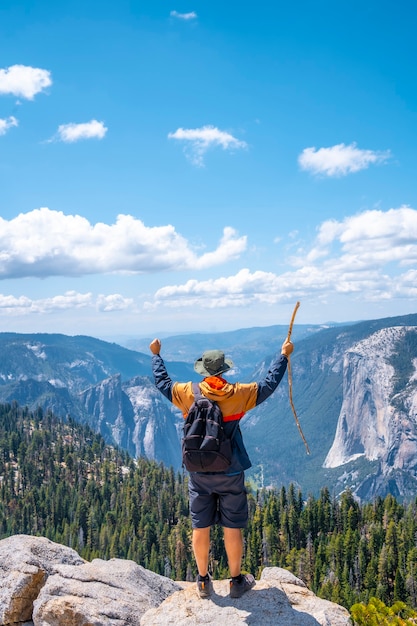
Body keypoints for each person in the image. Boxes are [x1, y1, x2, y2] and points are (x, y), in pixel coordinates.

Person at [149, 336, 294, 599]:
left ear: (203, 370)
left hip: (199, 473)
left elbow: (163, 383)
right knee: (232, 527)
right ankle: (236, 581)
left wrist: (156, 355)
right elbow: (269, 385)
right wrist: (283, 356)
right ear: (224, 369)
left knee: (200, 527)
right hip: (230, 471)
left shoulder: (187, 393)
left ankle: (203, 581)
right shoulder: (239, 394)